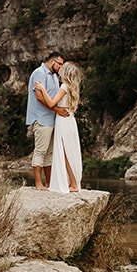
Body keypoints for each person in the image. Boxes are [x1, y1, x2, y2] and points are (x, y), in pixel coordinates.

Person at [25, 52, 64, 190]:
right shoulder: (39, 73)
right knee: (40, 151)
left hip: (52, 119)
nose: (60, 67)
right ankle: (38, 183)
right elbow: (40, 97)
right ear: (52, 61)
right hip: (41, 118)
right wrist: (57, 111)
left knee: (50, 152)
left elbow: (53, 97)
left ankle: (49, 182)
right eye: (59, 64)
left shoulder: (54, 76)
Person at [47, 62, 83, 193]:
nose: (59, 69)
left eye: (62, 68)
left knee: (66, 152)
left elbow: (51, 103)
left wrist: (42, 90)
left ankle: (73, 184)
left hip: (63, 121)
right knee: (70, 151)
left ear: (65, 73)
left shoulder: (64, 87)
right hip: (70, 120)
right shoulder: (73, 87)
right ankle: (73, 182)